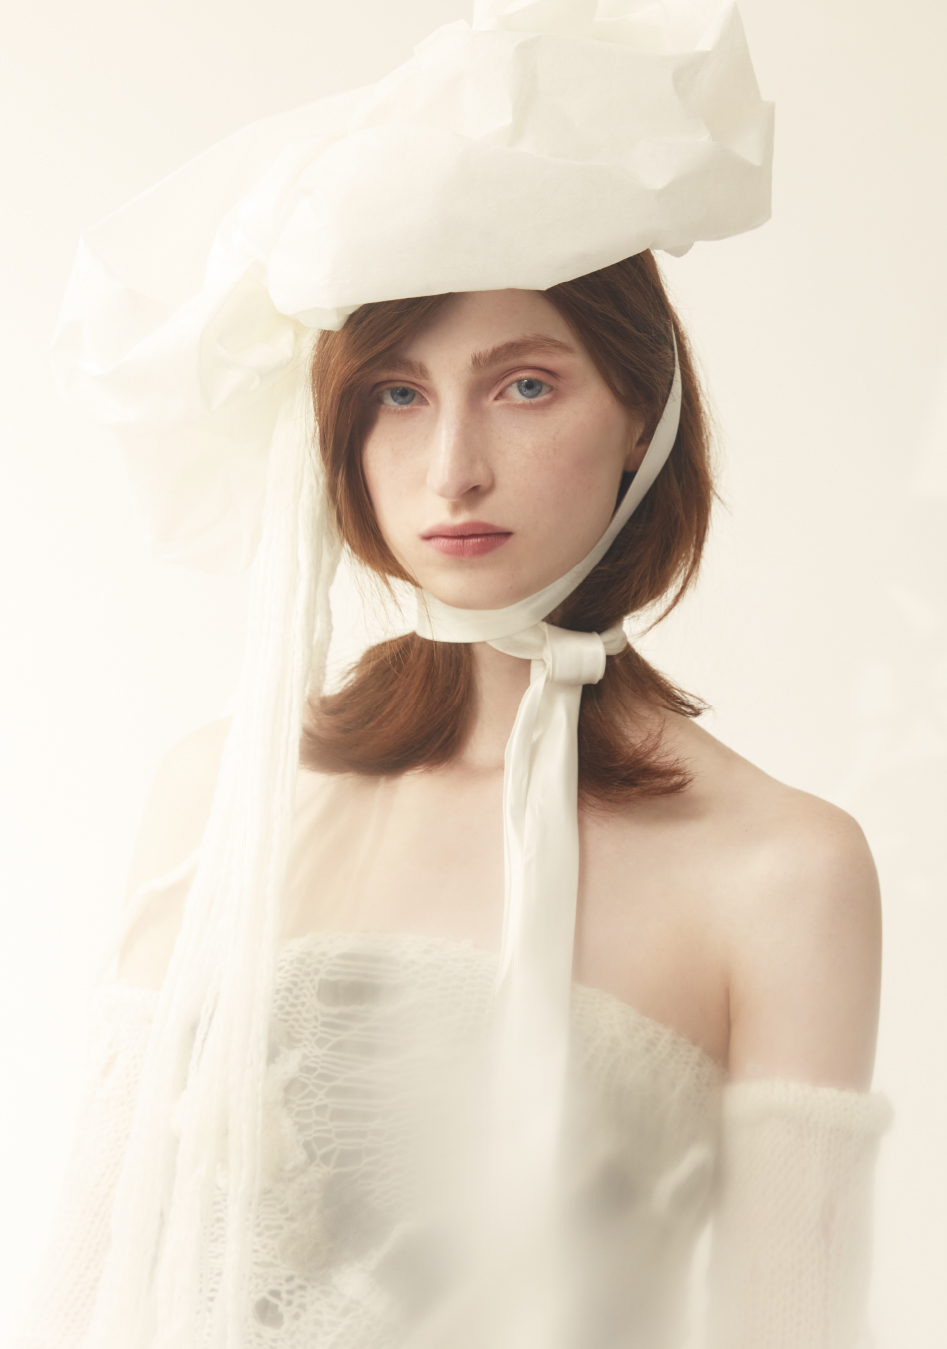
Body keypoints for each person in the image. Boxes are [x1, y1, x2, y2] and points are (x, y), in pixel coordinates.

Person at [20, 3, 890, 1347]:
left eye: (525, 385)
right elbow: (81, 1287)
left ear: (640, 413)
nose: (452, 470)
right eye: (399, 394)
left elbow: (793, 1326)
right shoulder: (220, 794)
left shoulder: (782, 872)